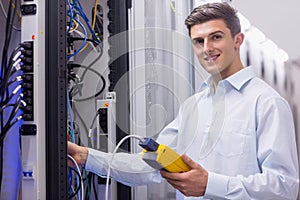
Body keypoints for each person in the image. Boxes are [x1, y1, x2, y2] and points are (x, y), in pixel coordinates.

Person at [68, 2, 299, 199]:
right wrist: (85, 157)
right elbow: (150, 166)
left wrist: (210, 184)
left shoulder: (267, 103)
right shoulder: (194, 106)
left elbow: (284, 186)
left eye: (216, 37)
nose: (207, 49)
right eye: (199, 41)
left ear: (238, 40)